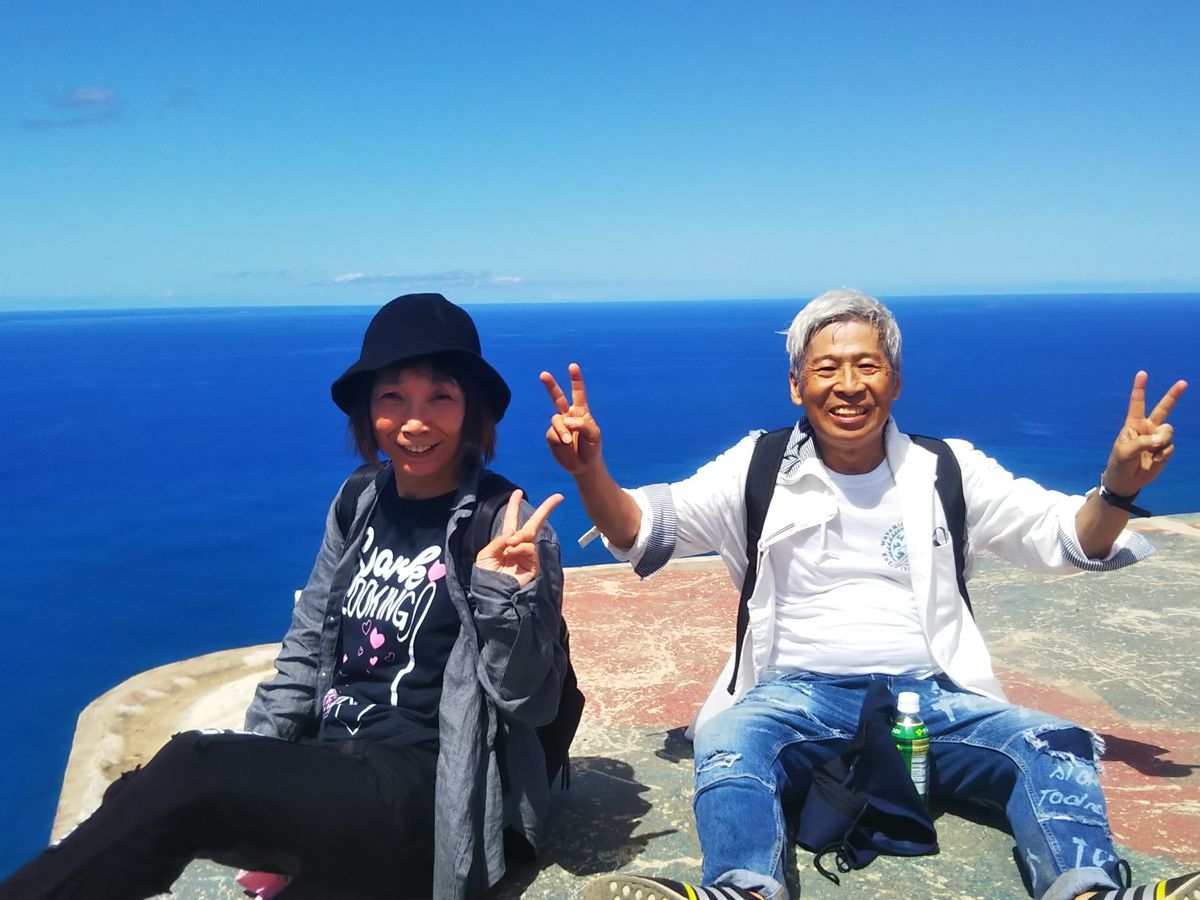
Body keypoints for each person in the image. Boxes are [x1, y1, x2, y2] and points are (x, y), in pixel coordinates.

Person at [541, 289, 1197, 900]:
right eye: (827, 369)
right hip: (790, 696)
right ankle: (744, 888)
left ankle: (1089, 888)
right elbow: (640, 529)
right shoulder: (757, 467)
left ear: (896, 380)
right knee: (732, 739)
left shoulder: (947, 469)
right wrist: (590, 471)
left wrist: (1117, 489)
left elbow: (1066, 536)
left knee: (1054, 742)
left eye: (867, 365)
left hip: (932, 699)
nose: (848, 385)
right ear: (796, 384)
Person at [1, 293, 567, 900]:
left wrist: (502, 596)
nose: (413, 422)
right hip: (333, 773)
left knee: (192, 770)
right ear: (368, 409)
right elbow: (306, 643)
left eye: (440, 398)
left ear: (472, 410)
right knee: (143, 798)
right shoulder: (359, 500)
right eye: (392, 397)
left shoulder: (506, 528)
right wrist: (264, 772)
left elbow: (529, 702)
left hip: (423, 790)